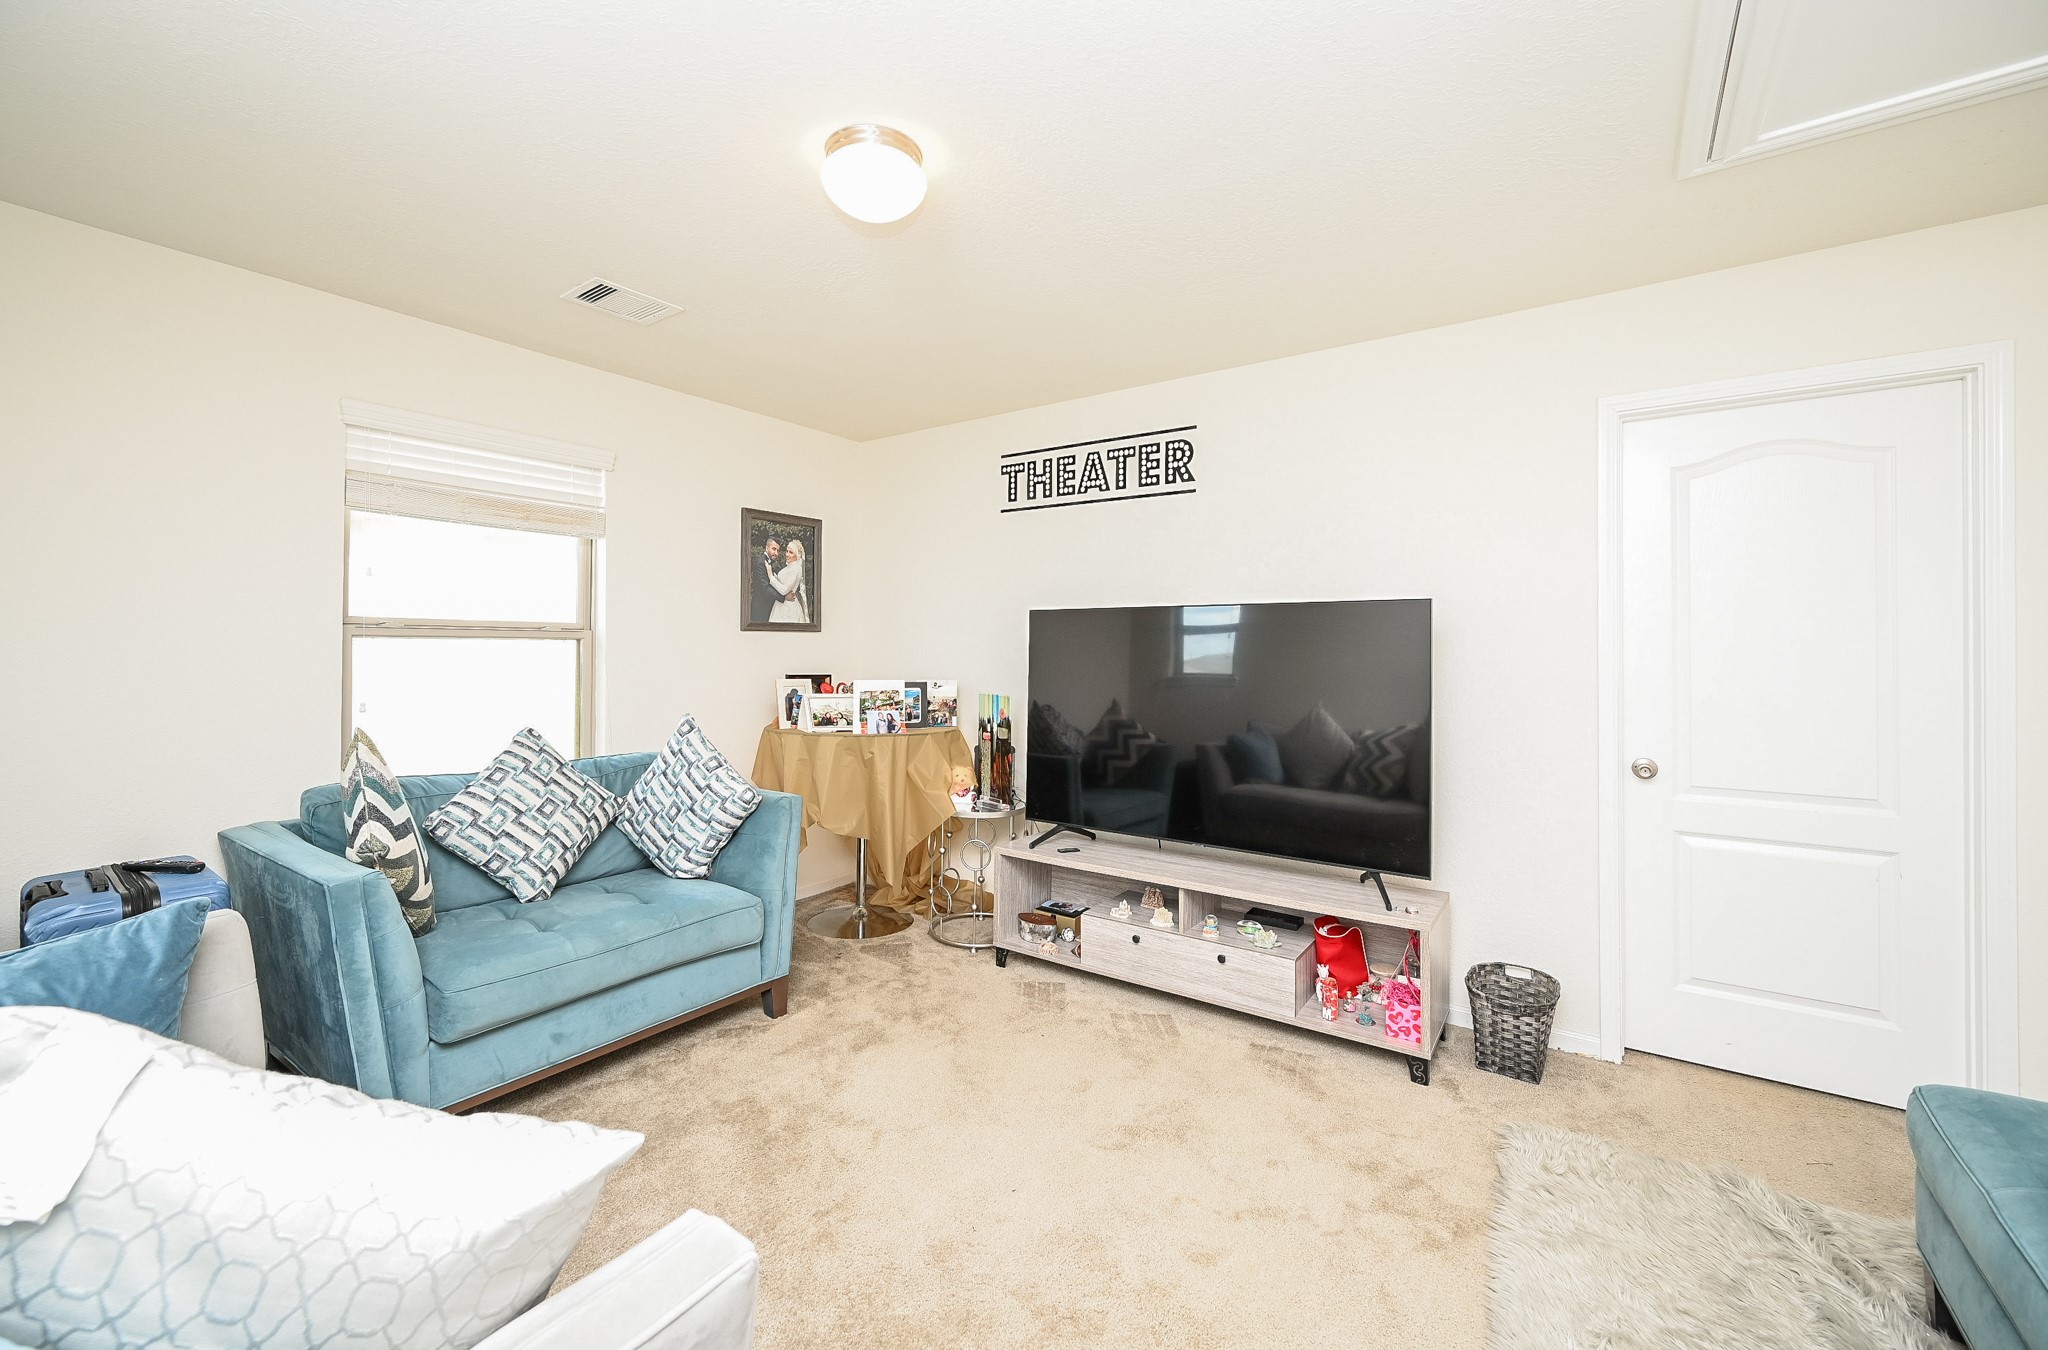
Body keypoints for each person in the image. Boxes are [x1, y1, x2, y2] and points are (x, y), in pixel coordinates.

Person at [768, 537, 809, 624]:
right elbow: (781, 583)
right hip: (780, 604)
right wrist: (774, 576)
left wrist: (771, 577)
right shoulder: (788, 567)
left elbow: (784, 590)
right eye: (787, 551)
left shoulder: (796, 569)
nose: (787, 554)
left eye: (791, 552)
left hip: (789, 608)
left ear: (797, 555)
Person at [750, 537, 782, 625]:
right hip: (760, 609)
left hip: (767, 607)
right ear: (767, 547)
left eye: (778, 550)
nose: (776, 553)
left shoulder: (770, 562)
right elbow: (765, 589)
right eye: (774, 549)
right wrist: (783, 598)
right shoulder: (761, 563)